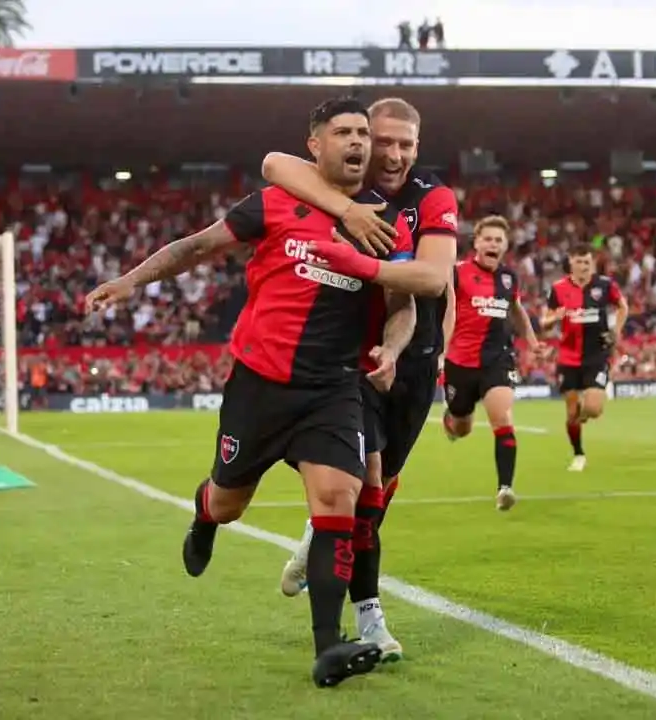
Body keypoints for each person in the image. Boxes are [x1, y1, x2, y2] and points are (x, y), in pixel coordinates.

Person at [84, 97, 417, 689]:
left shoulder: (382, 221)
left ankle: (327, 648)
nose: (359, 142)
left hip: (333, 389)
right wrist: (130, 280)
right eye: (343, 132)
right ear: (314, 145)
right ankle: (205, 515)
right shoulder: (275, 202)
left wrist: (391, 348)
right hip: (260, 385)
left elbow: (402, 304)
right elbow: (195, 247)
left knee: (338, 500)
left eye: (364, 132)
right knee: (229, 501)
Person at [263, 98, 459, 658]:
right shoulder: (342, 186)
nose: (394, 154)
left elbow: (434, 278)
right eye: (385, 141)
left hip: (415, 362)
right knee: (366, 486)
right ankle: (368, 617)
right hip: (355, 362)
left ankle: (317, 532)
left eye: (407, 144)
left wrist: (434, 343)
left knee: (375, 501)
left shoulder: (433, 196)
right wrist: (345, 212)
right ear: (365, 140)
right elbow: (274, 165)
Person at [442, 216, 540, 510]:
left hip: (497, 359)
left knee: (502, 416)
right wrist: (439, 351)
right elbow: (445, 313)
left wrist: (533, 343)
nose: (493, 244)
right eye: (488, 239)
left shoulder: (509, 278)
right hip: (460, 362)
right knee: (462, 427)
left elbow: (516, 311)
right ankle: (451, 418)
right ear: (476, 243)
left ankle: (505, 488)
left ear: (506, 245)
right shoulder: (457, 274)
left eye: (498, 240)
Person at [541, 244, 628, 472]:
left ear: (593, 263)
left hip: (596, 355)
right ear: (571, 263)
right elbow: (544, 321)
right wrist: (554, 318)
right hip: (568, 357)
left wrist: (616, 331)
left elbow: (622, 307)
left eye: (587, 262)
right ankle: (579, 454)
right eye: (579, 262)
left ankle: (579, 418)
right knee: (571, 412)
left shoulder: (605, 285)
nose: (584, 266)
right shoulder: (558, 288)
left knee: (594, 408)